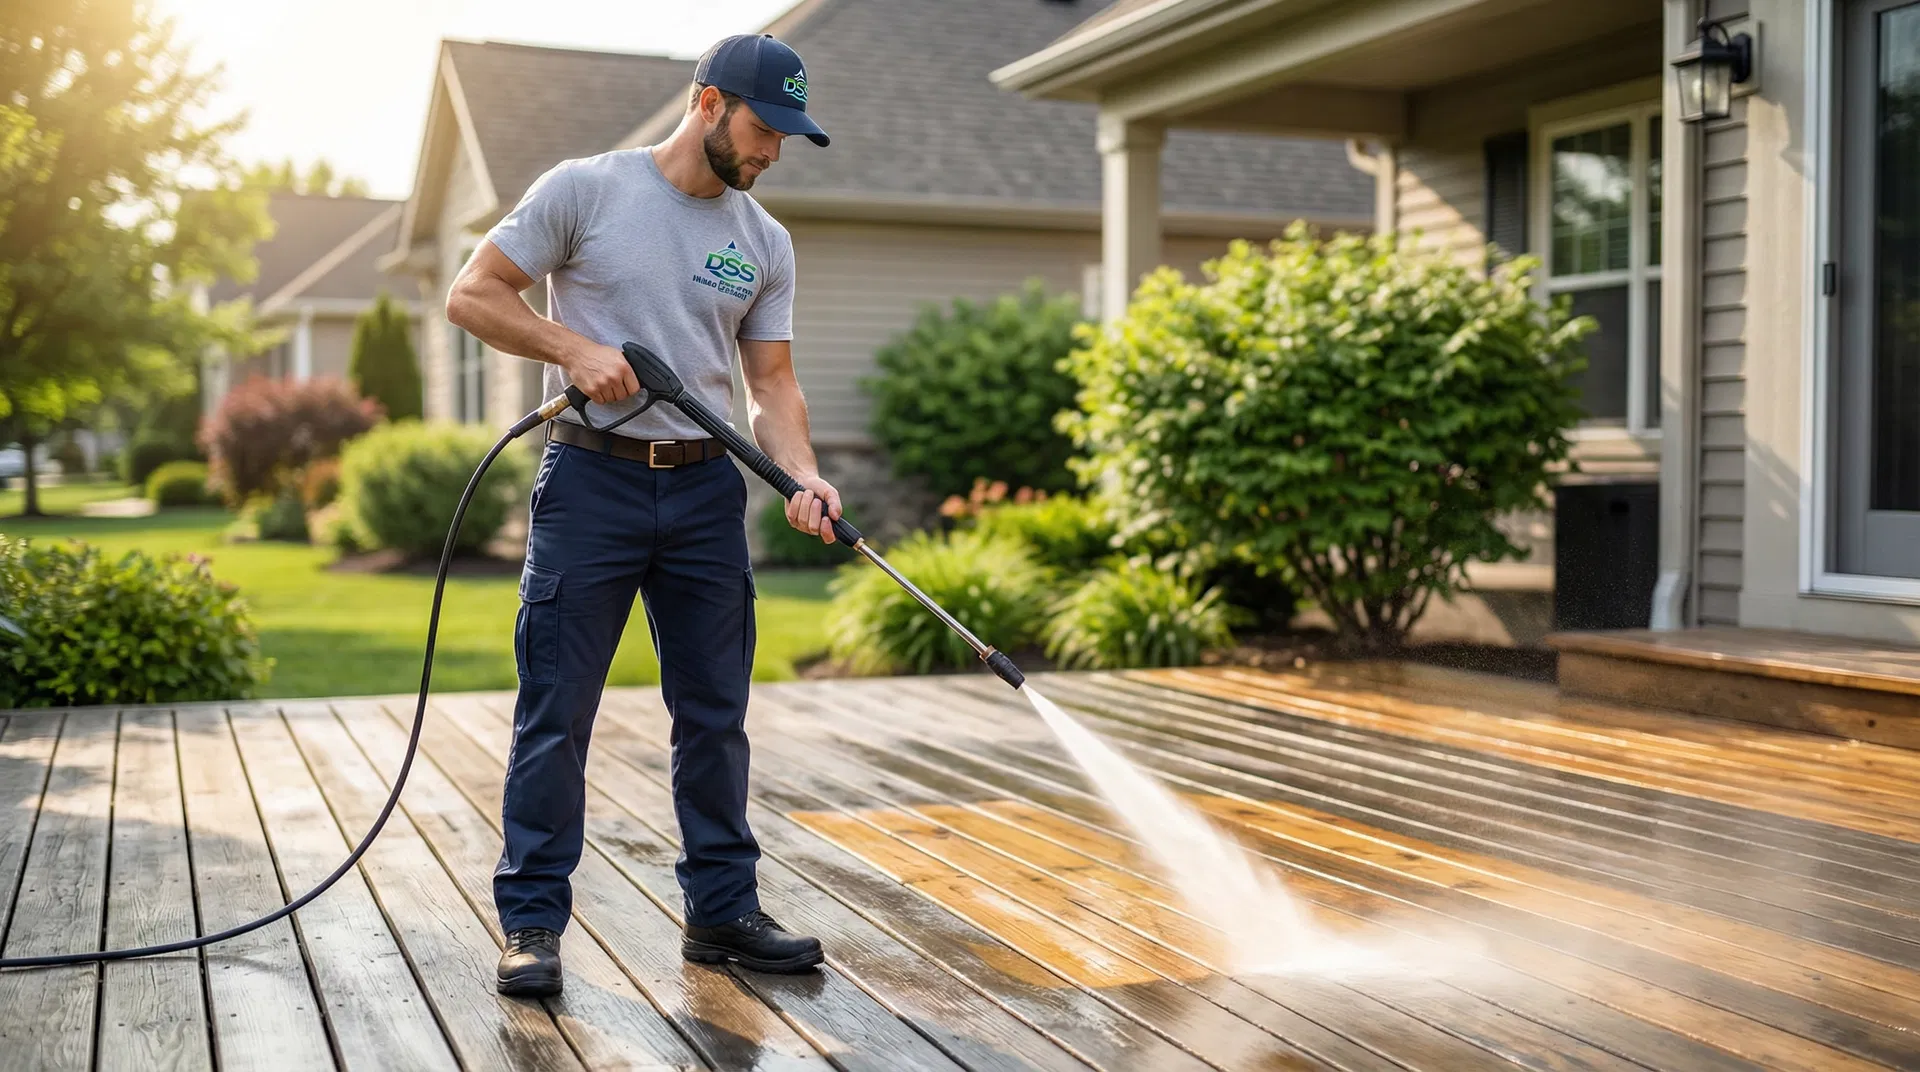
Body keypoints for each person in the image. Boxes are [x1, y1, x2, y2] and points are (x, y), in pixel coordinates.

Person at [444, 32, 840, 998]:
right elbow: (472, 295)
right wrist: (570, 348)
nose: (773, 152)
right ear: (708, 104)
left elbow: (771, 383)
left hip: (706, 492)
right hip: (593, 483)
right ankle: (532, 921)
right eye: (762, 127)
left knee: (714, 715)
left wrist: (802, 472)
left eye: (788, 136)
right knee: (557, 710)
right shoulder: (587, 190)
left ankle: (722, 913)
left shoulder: (764, 241)